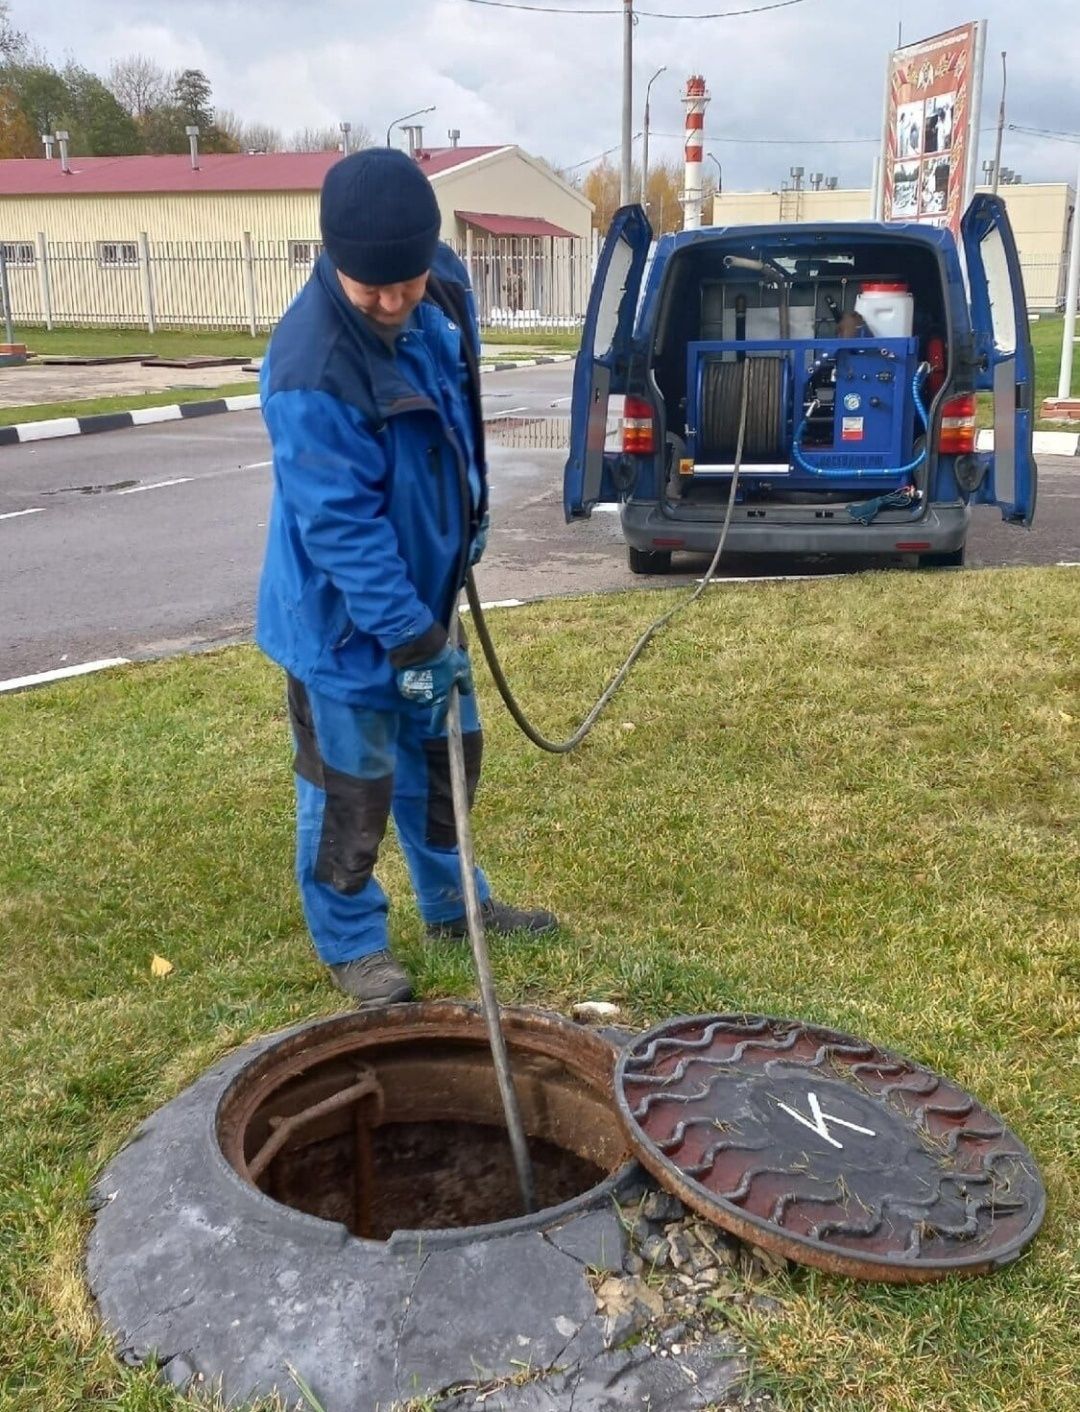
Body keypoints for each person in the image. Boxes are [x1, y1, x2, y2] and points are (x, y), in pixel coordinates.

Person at [256, 148, 557, 1007]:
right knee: (353, 788)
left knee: (446, 757)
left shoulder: (441, 293)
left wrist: (471, 516)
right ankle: (352, 943)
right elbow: (342, 530)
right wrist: (410, 638)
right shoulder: (312, 367)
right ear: (334, 261)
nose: (392, 303)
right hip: (346, 628)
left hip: (427, 599)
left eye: (406, 282)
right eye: (371, 290)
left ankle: (456, 907)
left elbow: (455, 412)